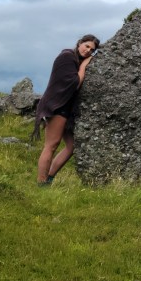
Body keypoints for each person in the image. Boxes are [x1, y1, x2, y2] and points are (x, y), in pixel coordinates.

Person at [33, 34, 100, 185]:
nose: (88, 51)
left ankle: (49, 179)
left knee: (71, 146)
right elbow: (74, 83)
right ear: (80, 43)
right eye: (87, 46)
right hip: (56, 106)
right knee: (51, 145)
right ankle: (41, 183)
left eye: (92, 50)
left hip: (66, 109)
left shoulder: (75, 60)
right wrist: (83, 66)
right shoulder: (67, 57)